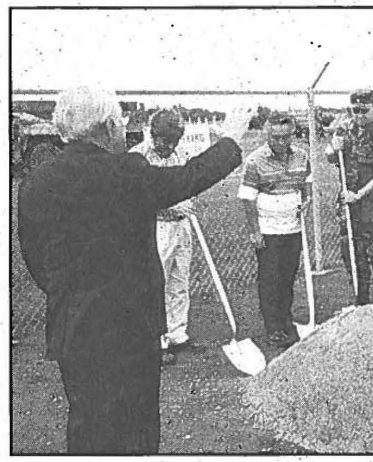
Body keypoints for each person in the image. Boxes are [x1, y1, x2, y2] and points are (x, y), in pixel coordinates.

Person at [17, 86, 246, 454]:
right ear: (108, 126)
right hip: (130, 328)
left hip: (72, 327)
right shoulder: (126, 170)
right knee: (135, 430)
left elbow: (35, 258)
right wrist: (230, 141)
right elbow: (187, 179)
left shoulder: (37, 181)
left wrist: (69, 293)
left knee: (86, 424)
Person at [238, 112, 312, 349]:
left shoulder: (302, 156)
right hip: (268, 229)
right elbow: (248, 198)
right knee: (270, 279)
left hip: (293, 227)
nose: (281, 142)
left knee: (288, 275)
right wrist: (255, 231)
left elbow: (306, 182)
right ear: (268, 135)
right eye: (275, 137)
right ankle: (274, 327)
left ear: (292, 135)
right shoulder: (255, 160)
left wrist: (307, 199)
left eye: (285, 137)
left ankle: (286, 318)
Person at [130, 109, 196, 366]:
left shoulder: (180, 154)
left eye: (174, 141)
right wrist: (168, 207)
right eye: (164, 141)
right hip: (155, 227)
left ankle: (178, 332)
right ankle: (156, 340)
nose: (168, 146)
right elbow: (135, 200)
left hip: (182, 226)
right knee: (156, 283)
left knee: (180, 280)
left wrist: (188, 202)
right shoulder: (138, 157)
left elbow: (190, 183)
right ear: (152, 133)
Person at [326, 89, 373, 305]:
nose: (359, 115)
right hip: (350, 210)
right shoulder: (344, 128)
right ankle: (361, 304)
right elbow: (330, 155)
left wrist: (359, 195)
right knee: (353, 257)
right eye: (355, 110)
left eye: (364, 110)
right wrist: (333, 148)